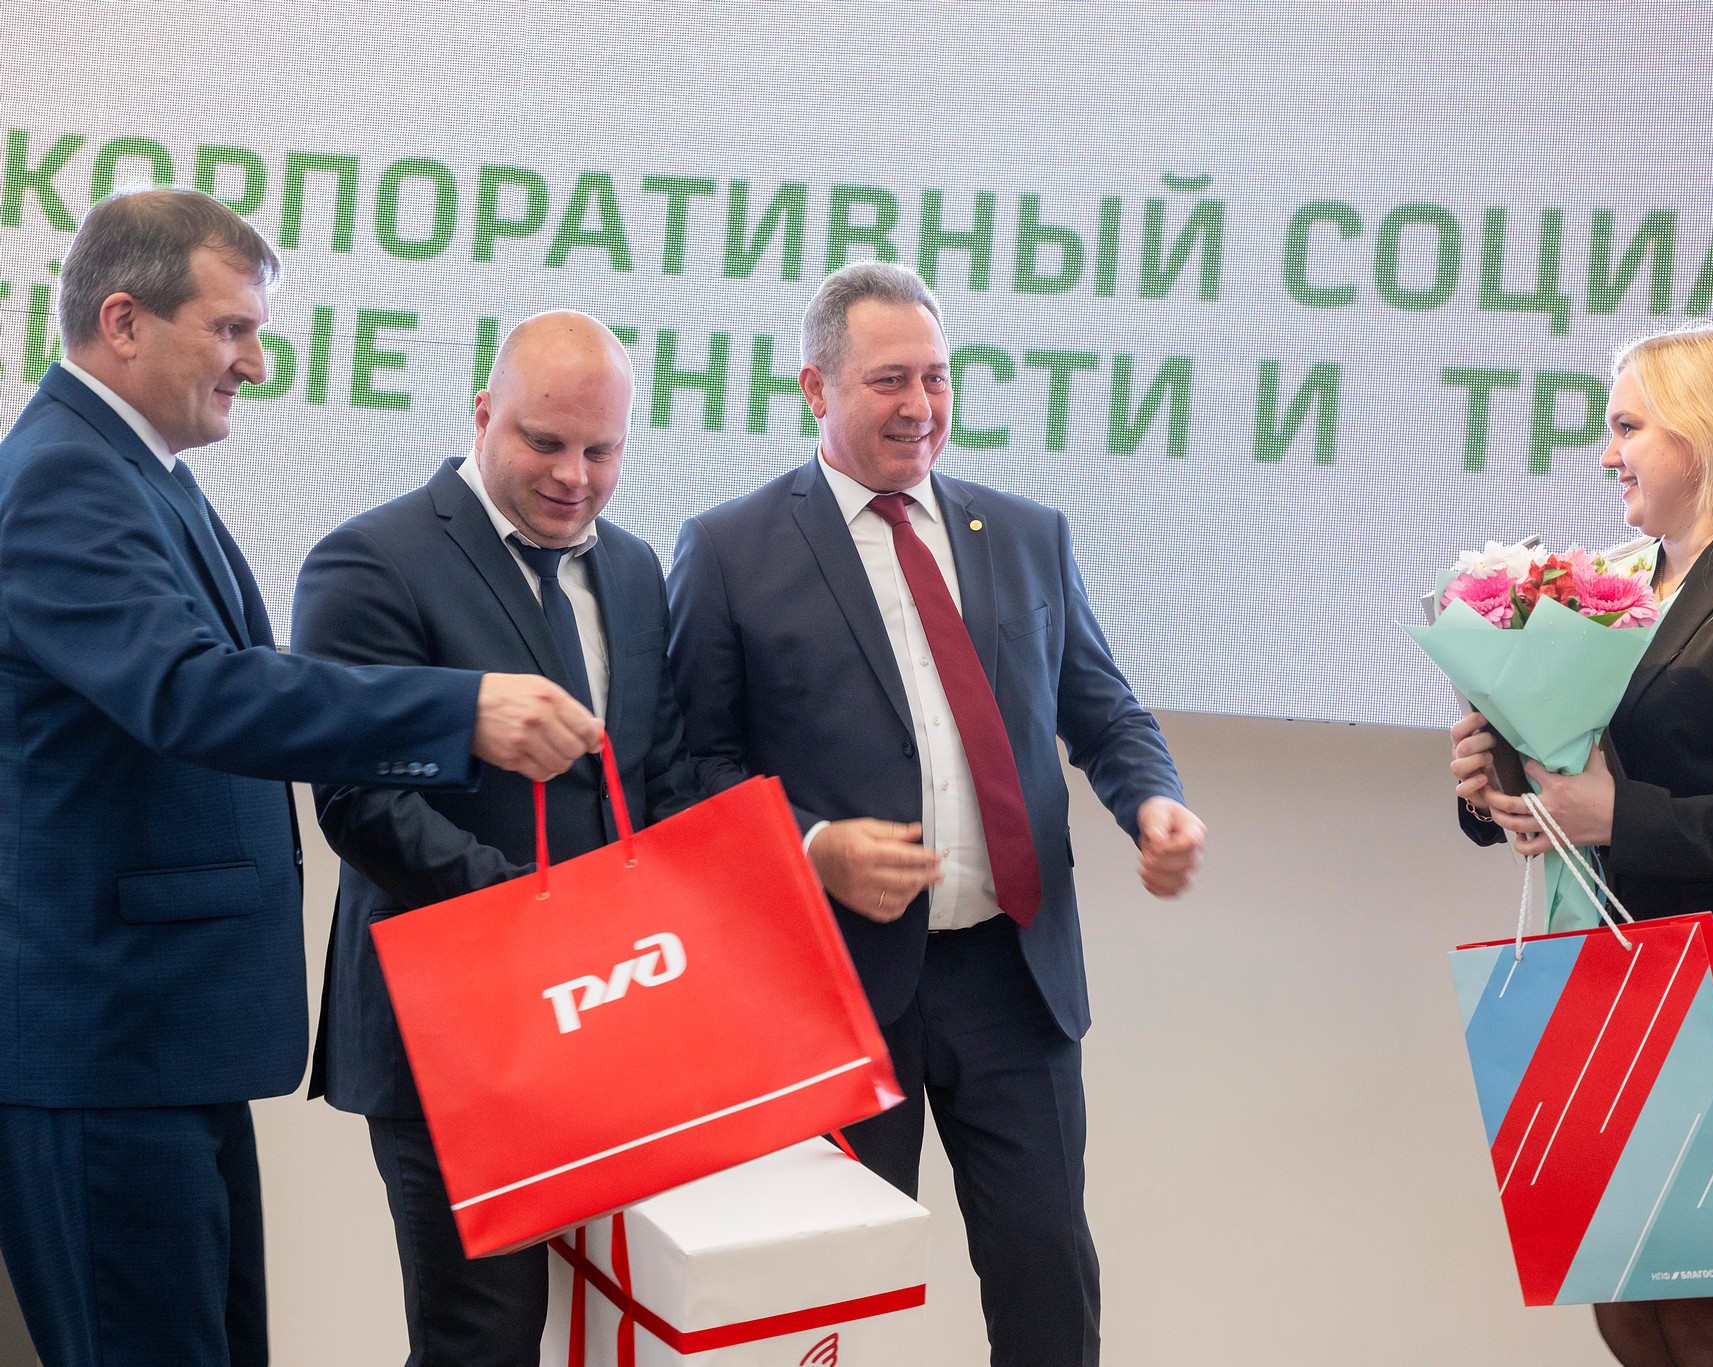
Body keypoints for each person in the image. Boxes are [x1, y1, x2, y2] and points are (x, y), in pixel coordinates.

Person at [0, 189, 601, 1367]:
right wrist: (457, 708)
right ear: (122, 320)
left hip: (160, 1040)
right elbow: (193, 692)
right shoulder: (67, 478)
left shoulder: (134, 469)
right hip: (106, 1043)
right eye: (230, 329)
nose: (255, 362)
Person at [666, 261, 1206, 1367]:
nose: (920, 405)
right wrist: (812, 846)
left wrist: (1154, 802)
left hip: (1014, 976)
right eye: (888, 380)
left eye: (937, 377)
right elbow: (684, 769)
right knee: (824, 1302)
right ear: (815, 387)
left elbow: (1102, 710)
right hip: (833, 988)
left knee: (1047, 1278)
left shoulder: (1024, 533)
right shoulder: (729, 549)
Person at [1448, 322, 1713, 1367]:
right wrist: (1495, 785)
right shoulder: (1615, 584)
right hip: (1616, 996)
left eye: (1629, 426)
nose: (1607, 454)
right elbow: (1585, 771)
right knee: (1630, 1320)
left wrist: (1614, 814)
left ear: (1709, 432)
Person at [291, 311, 698, 1367]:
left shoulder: (637, 568)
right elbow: (359, 800)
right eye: (544, 442)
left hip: (615, 1023)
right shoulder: (371, 559)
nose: (573, 476)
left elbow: (649, 778)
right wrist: (544, 918)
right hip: (457, 1038)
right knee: (482, 1343)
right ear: (482, 414)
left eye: (601, 450)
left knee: (631, 1326)